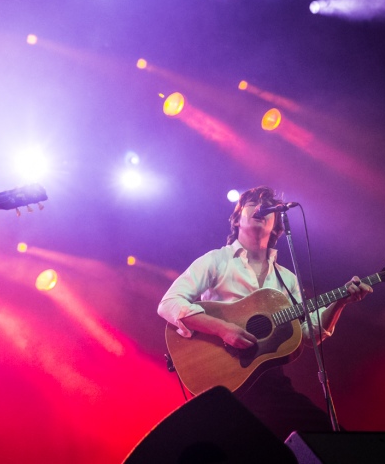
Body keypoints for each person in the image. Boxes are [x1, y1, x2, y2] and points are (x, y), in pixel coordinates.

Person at [157, 186, 372, 441]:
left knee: (330, 441)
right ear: (237, 218)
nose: (260, 207)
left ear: (276, 226)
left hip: (270, 383)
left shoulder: (287, 278)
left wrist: (341, 302)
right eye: (253, 203)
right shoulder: (216, 261)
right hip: (223, 382)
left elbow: (307, 334)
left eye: (267, 205)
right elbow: (169, 303)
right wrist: (222, 329)